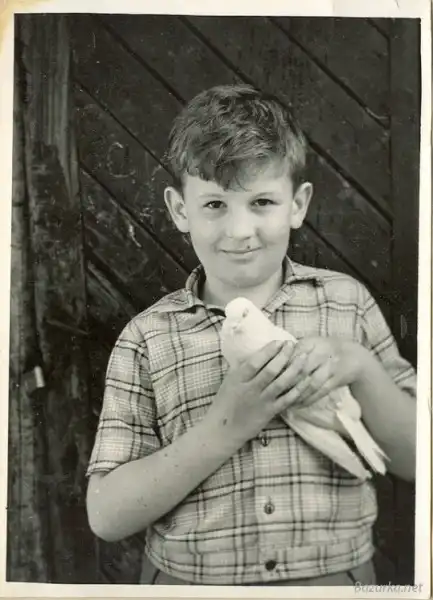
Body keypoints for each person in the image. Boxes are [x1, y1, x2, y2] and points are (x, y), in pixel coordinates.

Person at [85, 84, 417, 586]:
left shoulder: (345, 303)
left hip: (335, 583)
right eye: (215, 204)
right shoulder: (147, 338)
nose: (240, 231)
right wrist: (227, 424)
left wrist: (360, 367)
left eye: (261, 201)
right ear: (179, 210)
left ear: (298, 204)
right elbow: (106, 517)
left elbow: (418, 462)